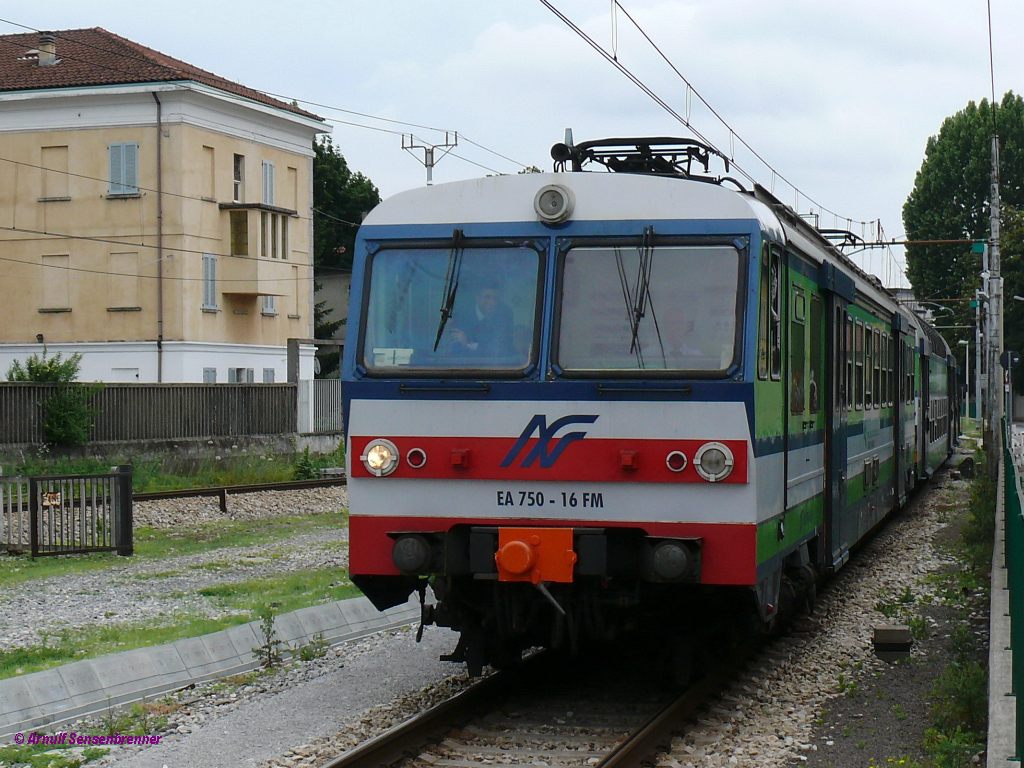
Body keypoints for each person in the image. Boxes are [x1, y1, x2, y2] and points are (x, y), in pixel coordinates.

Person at [448, 282, 514, 357]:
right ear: (477, 298)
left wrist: (468, 344)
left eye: (495, 298)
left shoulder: (505, 315)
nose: (492, 302)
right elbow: (455, 350)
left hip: (498, 366)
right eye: (487, 297)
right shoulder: (461, 317)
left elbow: (501, 349)